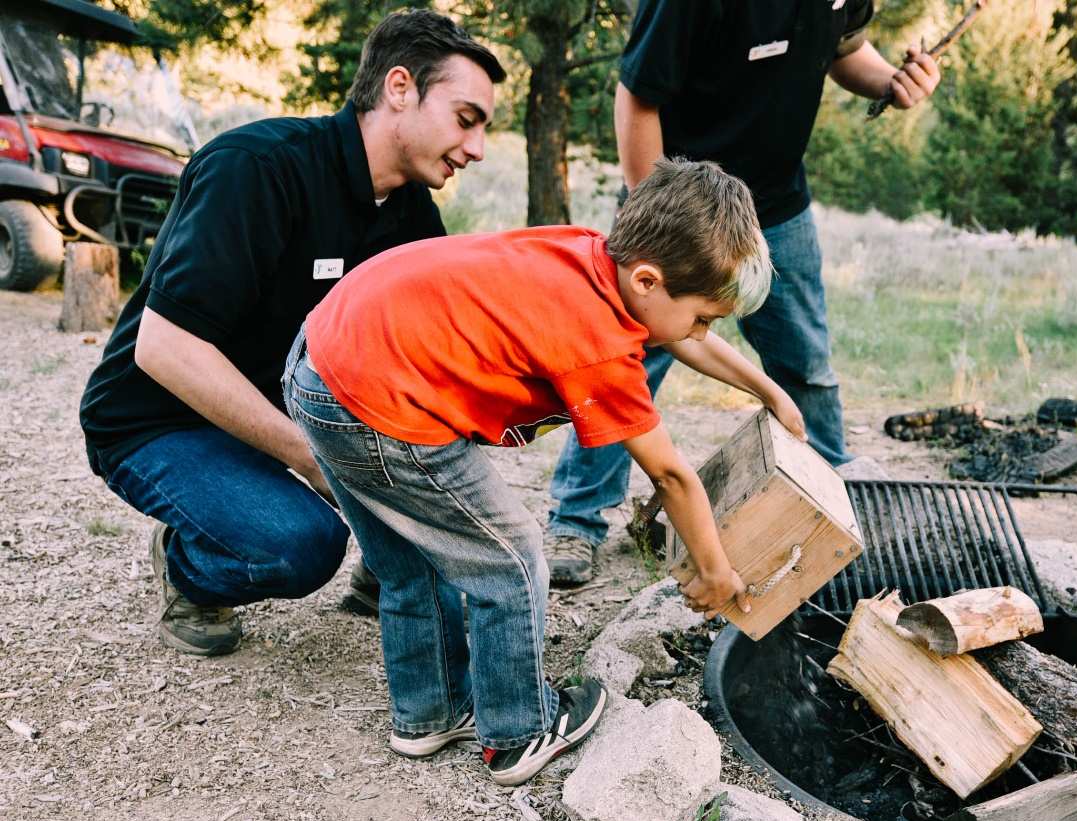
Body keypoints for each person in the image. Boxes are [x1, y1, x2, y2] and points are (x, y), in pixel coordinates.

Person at [283, 157, 802, 779]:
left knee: (408, 560)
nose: (701, 332)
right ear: (646, 281)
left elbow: (679, 333)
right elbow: (671, 476)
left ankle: (430, 712)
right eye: (704, 317)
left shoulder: (592, 255)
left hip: (325, 362)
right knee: (512, 556)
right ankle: (519, 731)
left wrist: (766, 388)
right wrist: (716, 572)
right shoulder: (599, 342)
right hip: (381, 404)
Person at [79, 11, 504, 658]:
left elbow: (425, 356)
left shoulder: (414, 217)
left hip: (280, 409)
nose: (475, 149)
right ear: (398, 89)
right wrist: (315, 458)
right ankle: (189, 565)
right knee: (300, 546)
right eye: (465, 119)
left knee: (444, 432)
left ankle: (391, 572)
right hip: (157, 419)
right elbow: (164, 349)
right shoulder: (255, 169)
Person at [543, 0, 943, 586]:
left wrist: (892, 80)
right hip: (678, 209)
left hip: (777, 206)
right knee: (625, 356)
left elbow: (845, 48)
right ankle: (576, 518)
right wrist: (658, 216)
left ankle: (832, 496)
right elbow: (637, 94)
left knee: (805, 360)